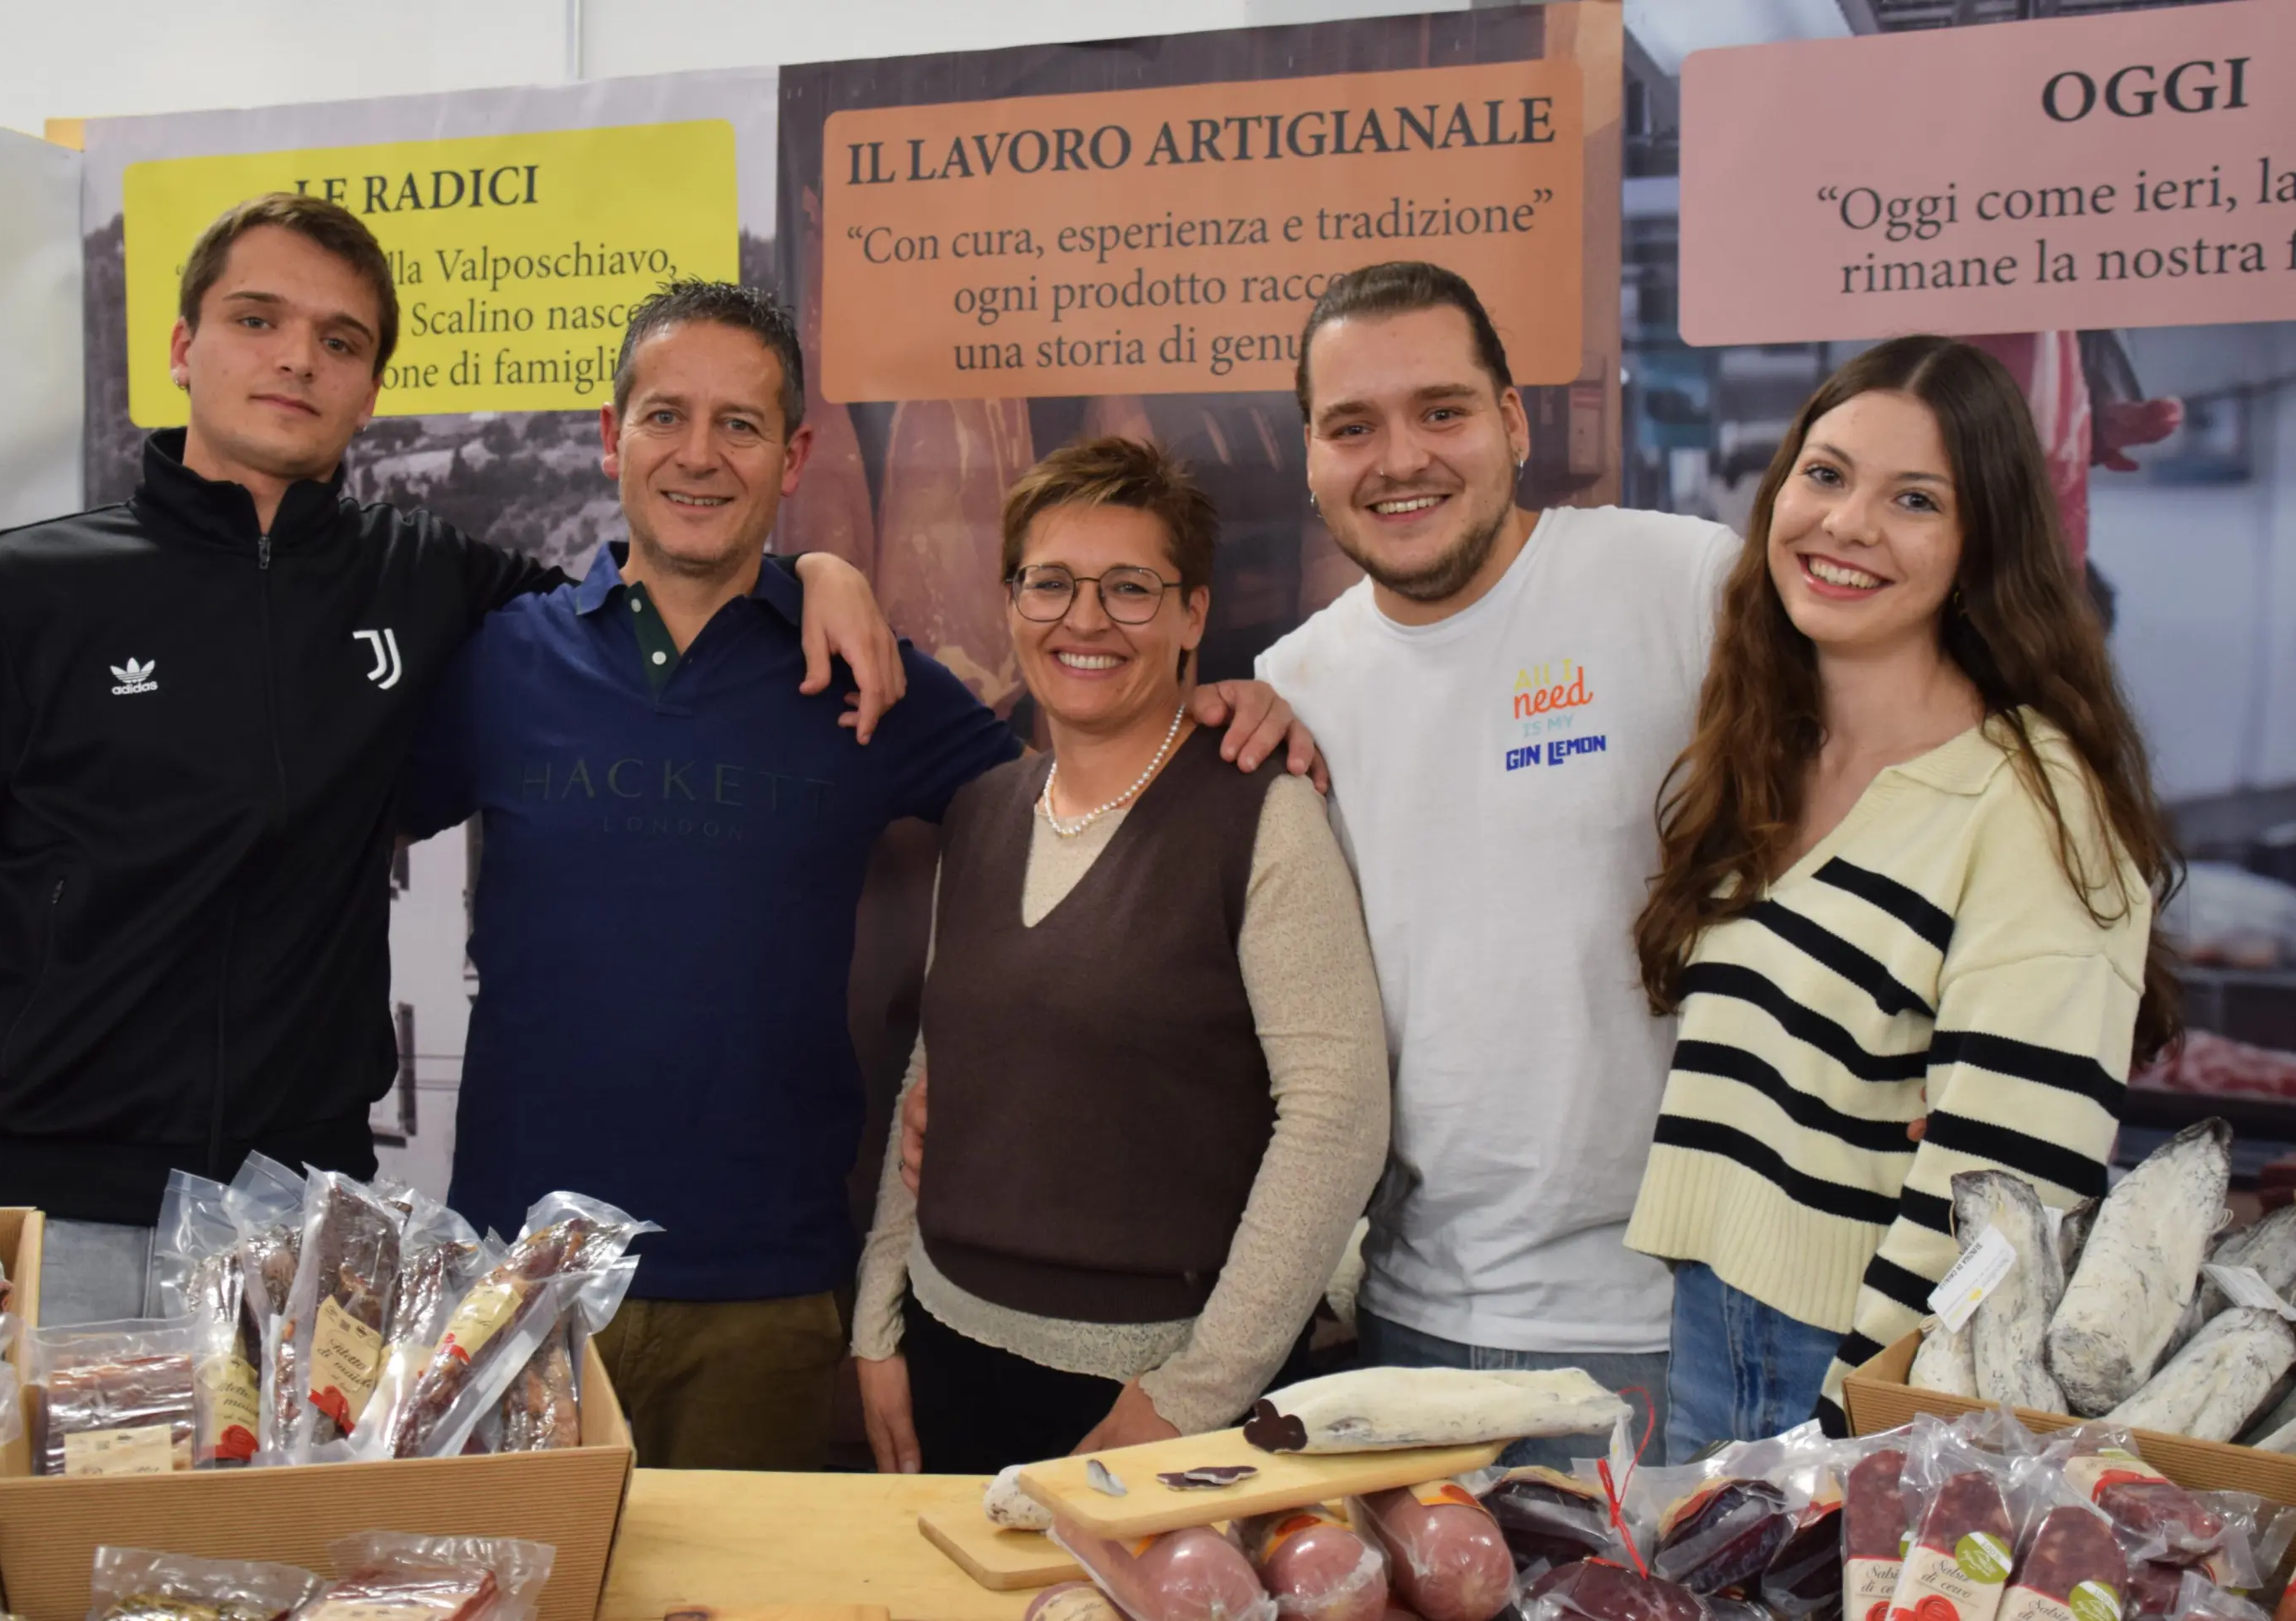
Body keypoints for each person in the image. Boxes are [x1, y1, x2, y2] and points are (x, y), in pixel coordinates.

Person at [0, 194, 905, 1324]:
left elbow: (645, 599)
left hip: (292, 1220)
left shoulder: (426, 580)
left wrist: (815, 572)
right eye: (257, 320)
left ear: (373, 387)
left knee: (272, 1516)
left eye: (340, 341)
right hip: (42, 1213)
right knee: (35, 1509)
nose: (296, 361)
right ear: (183, 349)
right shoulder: (25, 589)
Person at [397, 283, 1312, 1471]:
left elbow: (1086, 795)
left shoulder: (861, 673)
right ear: (608, 435)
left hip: (767, 1292)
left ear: (795, 454)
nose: (700, 455)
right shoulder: (501, 660)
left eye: (741, 424)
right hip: (521, 1281)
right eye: (666, 416)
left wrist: (1215, 704)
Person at [900, 263, 1736, 1468]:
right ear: (1309, 458)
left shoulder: (1683, 585)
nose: (1400, 458)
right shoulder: (1288, 690)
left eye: (1440, 411)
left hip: (1655, 1326)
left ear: (1512, 418)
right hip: (1395, 1314)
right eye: (1353, 426)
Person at [1623, 335, 2175, 1455]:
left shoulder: (2027, 796)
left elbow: (2018, 1189)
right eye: (1825, 475)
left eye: (1914, 498)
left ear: (1982, 546)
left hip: (1864, 1366)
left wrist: (1863, 1409)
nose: (1846, 524)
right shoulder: (1769, 746)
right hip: (1705, 1323)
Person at [847, 437, 1391, 1476]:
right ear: (1011, 604)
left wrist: (1192, 1397)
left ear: (1194, 614)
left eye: (1130, 588)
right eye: (1049, 583)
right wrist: (880, 1320)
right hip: (948, 1355)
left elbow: (1338, 1117)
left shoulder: (1260, 815)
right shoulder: (980, 812)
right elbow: (936, 1074)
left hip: (1155, 1390)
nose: (1084, 620)